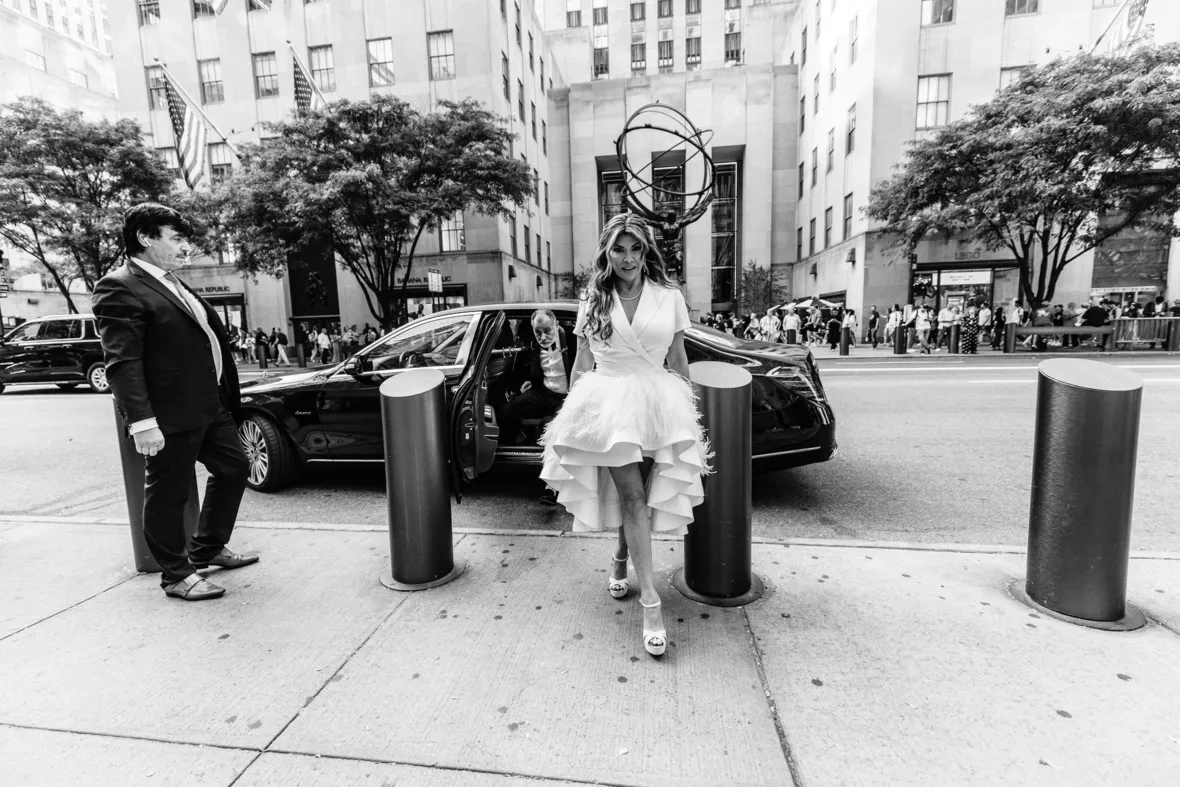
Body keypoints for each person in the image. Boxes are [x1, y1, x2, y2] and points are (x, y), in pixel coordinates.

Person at [540, 213, 710, 659]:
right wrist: (571, 414)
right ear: (606, 252)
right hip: (609, 404)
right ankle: (651, 603)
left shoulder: (669, 296)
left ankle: (621, 556)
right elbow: (580, 363)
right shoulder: (594, 298)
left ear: (646, 250)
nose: (628, 257)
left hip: (658, 401)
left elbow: (678, 357)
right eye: (619, 248)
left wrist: (688, 411)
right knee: (633, 498)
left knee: (647, 490)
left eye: (635, 248)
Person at [91, 203, 256, 602]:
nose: (186, 246)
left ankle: (207, 549)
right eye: (176, 238)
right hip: (168, 413)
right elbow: (123, 361)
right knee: (169, 493)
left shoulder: (172, 282)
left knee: (234, 468)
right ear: (146, 238)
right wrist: (141, 421)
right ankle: (176, 575)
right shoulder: (119, 285)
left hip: (210, 405)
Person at [498, 309, 575, 505]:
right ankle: (518, 444)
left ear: (557, 325)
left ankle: (551, 488)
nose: (542, 336)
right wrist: (528, 383)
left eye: (547, 330)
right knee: (507, 412)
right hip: (543, 391)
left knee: (555, 431)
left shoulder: (573, 342)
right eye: (537, 332)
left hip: (569, 395)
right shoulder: (533, 345)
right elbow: (527, 369)